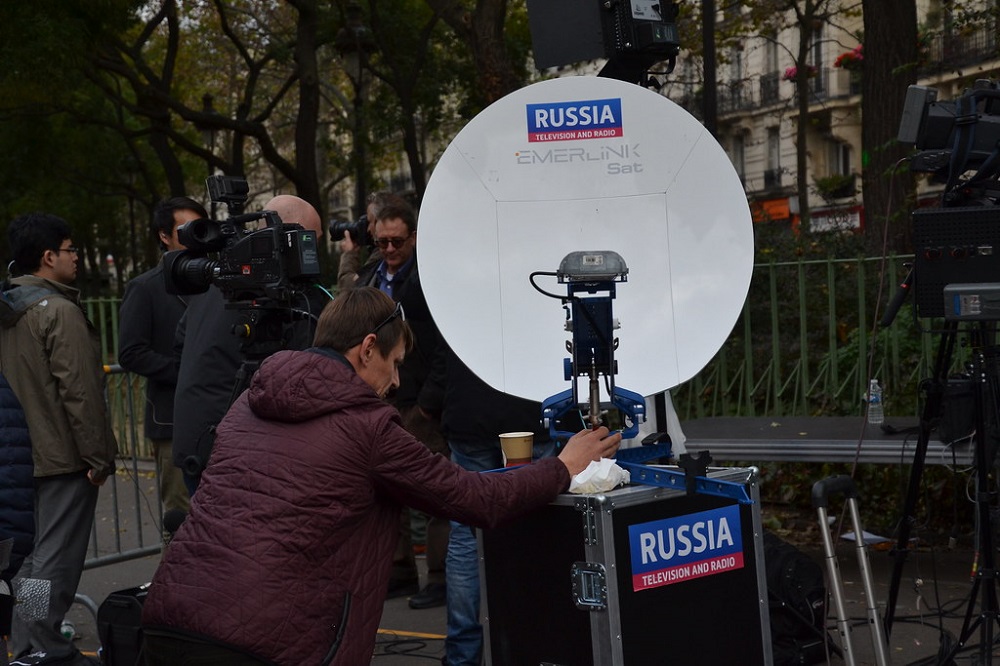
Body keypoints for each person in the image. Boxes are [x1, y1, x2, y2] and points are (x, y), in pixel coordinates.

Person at [140, 287, 621, 664]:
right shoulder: (366, 426)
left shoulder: (248, 401)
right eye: (394, 365)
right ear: (367, 348)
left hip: (170, 619)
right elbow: (474, 499)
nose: (395, 383)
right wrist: (561, 466)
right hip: (261, 643)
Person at [0, 212, 117, 666]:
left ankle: (28, 644)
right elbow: (80, 393)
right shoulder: (58, 312)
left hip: (22, 454)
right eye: (70, 250)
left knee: (33, 560)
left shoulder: (11, 308)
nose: (75, 258)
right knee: (53, 561)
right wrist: (98, 457)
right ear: (49, 257)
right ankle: (49, 647)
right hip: (63, 458)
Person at [171, 194, 328, 495]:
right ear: (287, 238)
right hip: (239, 452)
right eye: (310, 241)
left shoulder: (219, 281)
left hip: (197, 442)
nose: (314, 253)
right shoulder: (290, 299)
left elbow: (180, 349)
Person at [356, 199, 449, 609]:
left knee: (433, 491)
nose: (389, 250)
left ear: (414, 238)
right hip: (378, 398)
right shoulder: (369, 276)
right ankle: (397, 572)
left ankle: (441, 576)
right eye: (382, 242)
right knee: (382, 487)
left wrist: (429, 403)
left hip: (420, 401)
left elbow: (448, 346)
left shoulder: (432, 281)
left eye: (397, 241)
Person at [439, 347, 554, 665]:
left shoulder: (459, 296)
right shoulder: (542, 294)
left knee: (465, 540)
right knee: (536, 532)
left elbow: (438, 352)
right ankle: (538, 645)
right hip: (534, 411)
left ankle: (463, 654)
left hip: (469, 410)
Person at [118, 197, 207, 528]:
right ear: (164, 236)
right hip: (171, 422)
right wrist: (186, 372)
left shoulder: (217, 284)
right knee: (181, 520)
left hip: (219, 420)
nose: (195, 238)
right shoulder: (145, 288)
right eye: (185, 230)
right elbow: (130, 352)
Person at [335, 190, 398, 290]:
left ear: (380, 222)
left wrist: (349, 255)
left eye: (370, 222)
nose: (368, 229)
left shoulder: (385, 253)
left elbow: (353, 288)